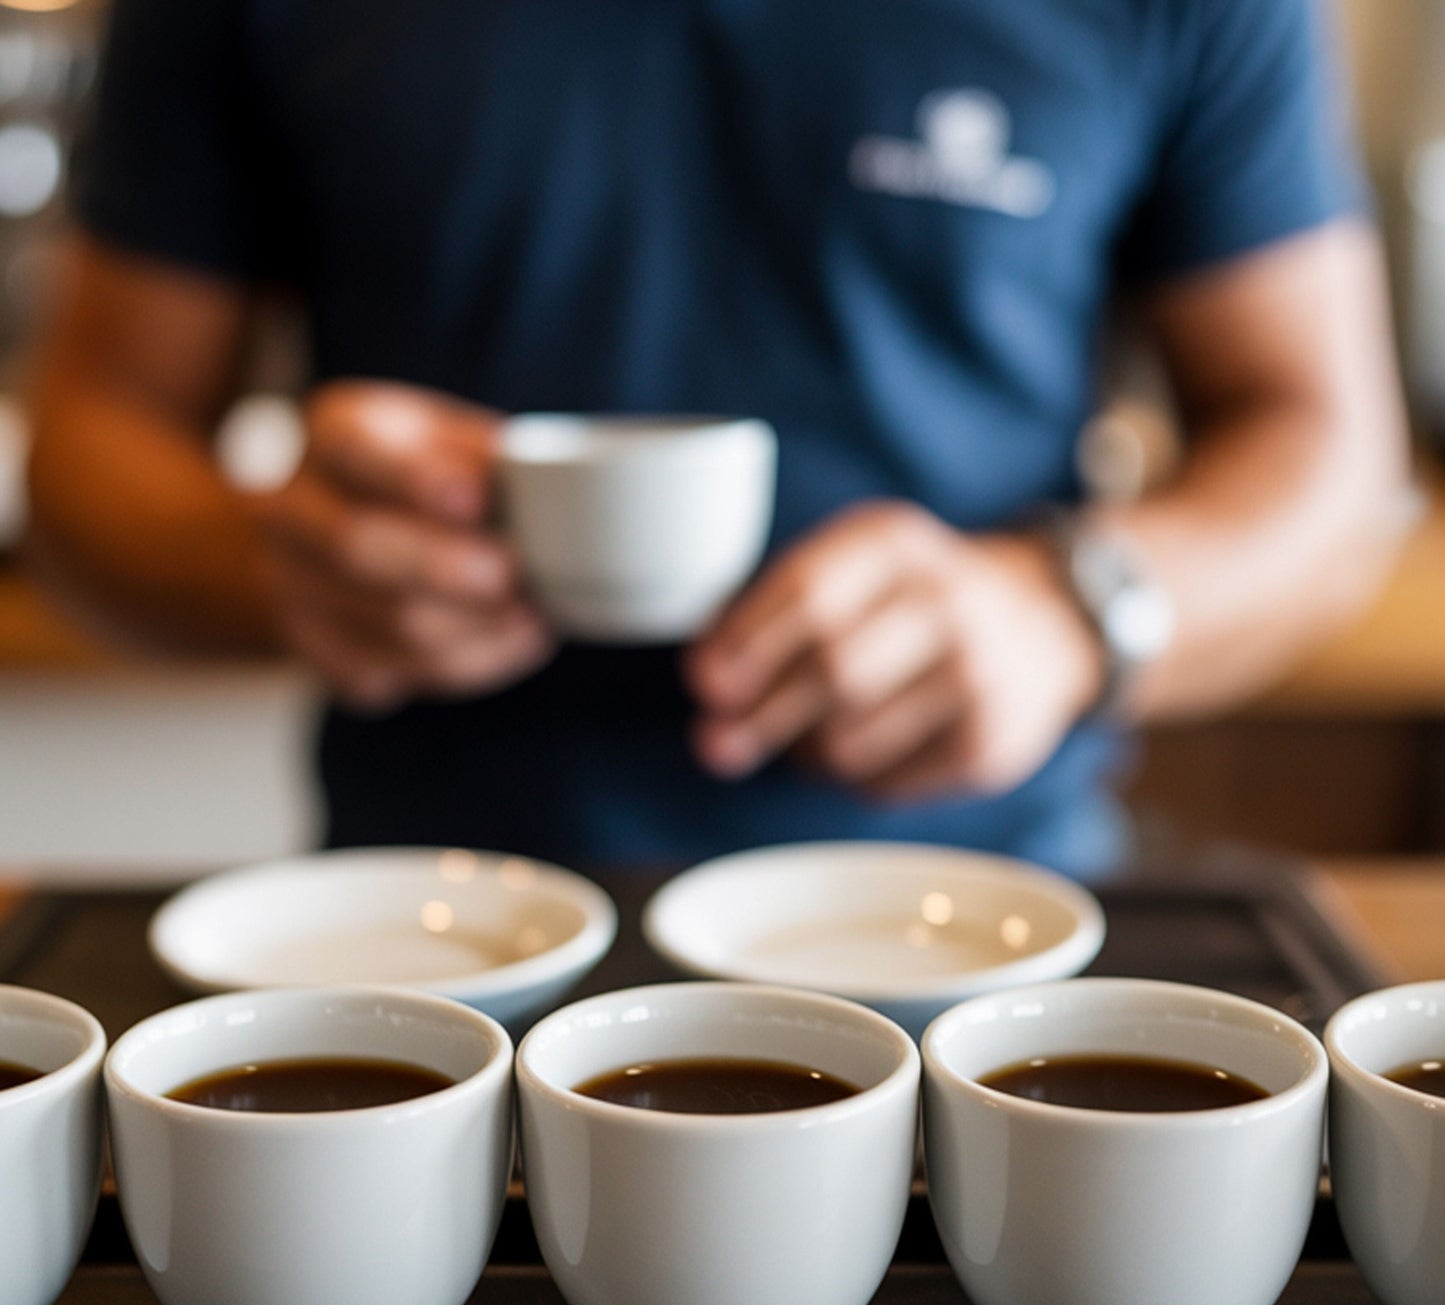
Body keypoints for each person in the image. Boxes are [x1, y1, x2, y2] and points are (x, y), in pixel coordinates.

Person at [23, 0, 1410, 879]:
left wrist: (1067, 611)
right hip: (432, 931)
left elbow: (1331, 454)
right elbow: (93, 446)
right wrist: (283, 560)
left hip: (979, 915)